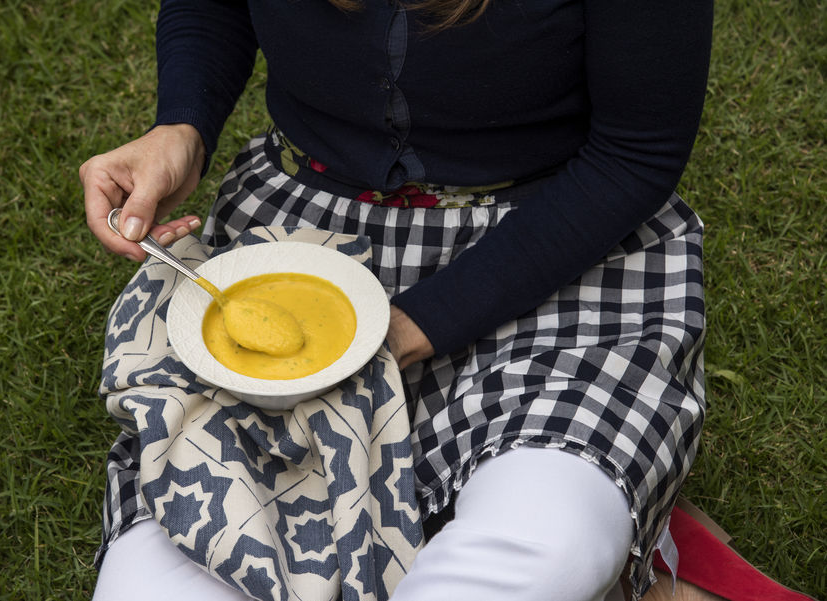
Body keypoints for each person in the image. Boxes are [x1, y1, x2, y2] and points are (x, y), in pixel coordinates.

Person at [80, 0, 802, 600]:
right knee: (149, 582)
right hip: (307, 237)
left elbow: (635, 151)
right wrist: (182, 125)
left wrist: (415, 324)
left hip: (555, 241)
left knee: (552, 540)